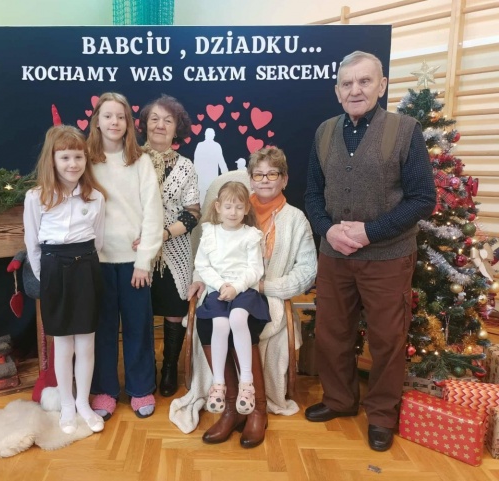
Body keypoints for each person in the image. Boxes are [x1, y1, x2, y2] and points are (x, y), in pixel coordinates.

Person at [304, 51, 436, 452]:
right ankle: (340, 400)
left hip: (388, 257)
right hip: (335, 256)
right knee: (332, 333)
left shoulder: (405, 130)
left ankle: (381, 415)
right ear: (337, 91)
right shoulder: (324, 132)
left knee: (387, 340)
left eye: (364, 81)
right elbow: (312, 196)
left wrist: (369, 232)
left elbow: (422, 199)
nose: (355, 90)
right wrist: (329, 230)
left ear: (382, 85)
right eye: (347, 83)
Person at [170, 146, 317, 448]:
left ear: (284, 179)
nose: (264, 180)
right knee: (208, 322)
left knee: (244, 322)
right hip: (221, 290)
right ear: (250, 178)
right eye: (258, 174)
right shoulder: (232, 207)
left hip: (263, 296)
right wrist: (200, 279)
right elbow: (208, 256)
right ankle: (230, 407)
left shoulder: (295, 219)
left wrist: (265, 287)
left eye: (272, 174)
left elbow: (307, 272)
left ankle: (257, 409)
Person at [23, 125, 107, 434]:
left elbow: (98, 239)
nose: (73, 164)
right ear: (53, 160)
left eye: (78, 157)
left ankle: (83, 403)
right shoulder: (37, 197)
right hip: (53, 270)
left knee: (85, 342)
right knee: (63, 343)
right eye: (65, 157)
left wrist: (84, 264)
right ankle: (67, 403)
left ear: (86, 160)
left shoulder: (95, 197)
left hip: (86, 267)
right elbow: (32, 243)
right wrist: (48, 277)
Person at [87, 92, 164, 420]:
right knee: (102, 329)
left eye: (120, 116)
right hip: (97, 262)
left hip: (134, 264)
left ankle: (141, 387)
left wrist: (144, 259)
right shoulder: (85, 160)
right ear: (97, 121)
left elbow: (153, 212)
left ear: (129, 124)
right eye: (108, 116)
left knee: (138, 327)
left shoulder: (140, 161)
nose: (114, 122)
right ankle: (105, 390)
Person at [137, 94, 200, 398]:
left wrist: (162, 235)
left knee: (175, 309)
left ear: (177, 128)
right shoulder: (131, 160)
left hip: (175, 249)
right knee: (140, 312)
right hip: (137, 251)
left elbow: (193, 214)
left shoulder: (186, 167)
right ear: (145, 124)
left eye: (168, 120)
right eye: (154, 119)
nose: (160, 125)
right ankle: (145, 369)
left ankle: (170, 367)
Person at [195, 181, 268, 416]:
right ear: (218, 207)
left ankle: (247, 383)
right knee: (220, 323)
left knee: (237, 318)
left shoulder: (250, 235)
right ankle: (218, 384)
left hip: (243, 289)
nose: (233, 212)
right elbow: (202, 265)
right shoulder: (210, 232)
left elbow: (255, 269)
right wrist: (220, 285)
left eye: (238, 207)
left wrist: (236, 287)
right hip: (218, 289)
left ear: (247, 209)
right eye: (228, 206)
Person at [194, 127, 229, 205]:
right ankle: (202, 210)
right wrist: (195, 174)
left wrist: (226, 174)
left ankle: (210, 210)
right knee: (203, 194)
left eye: (211, 134)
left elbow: (221, 160)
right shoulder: (201, 145)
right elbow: (196, 161)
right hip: (203, 175)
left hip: (211, 175)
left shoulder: (216, 146)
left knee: (212, 194)